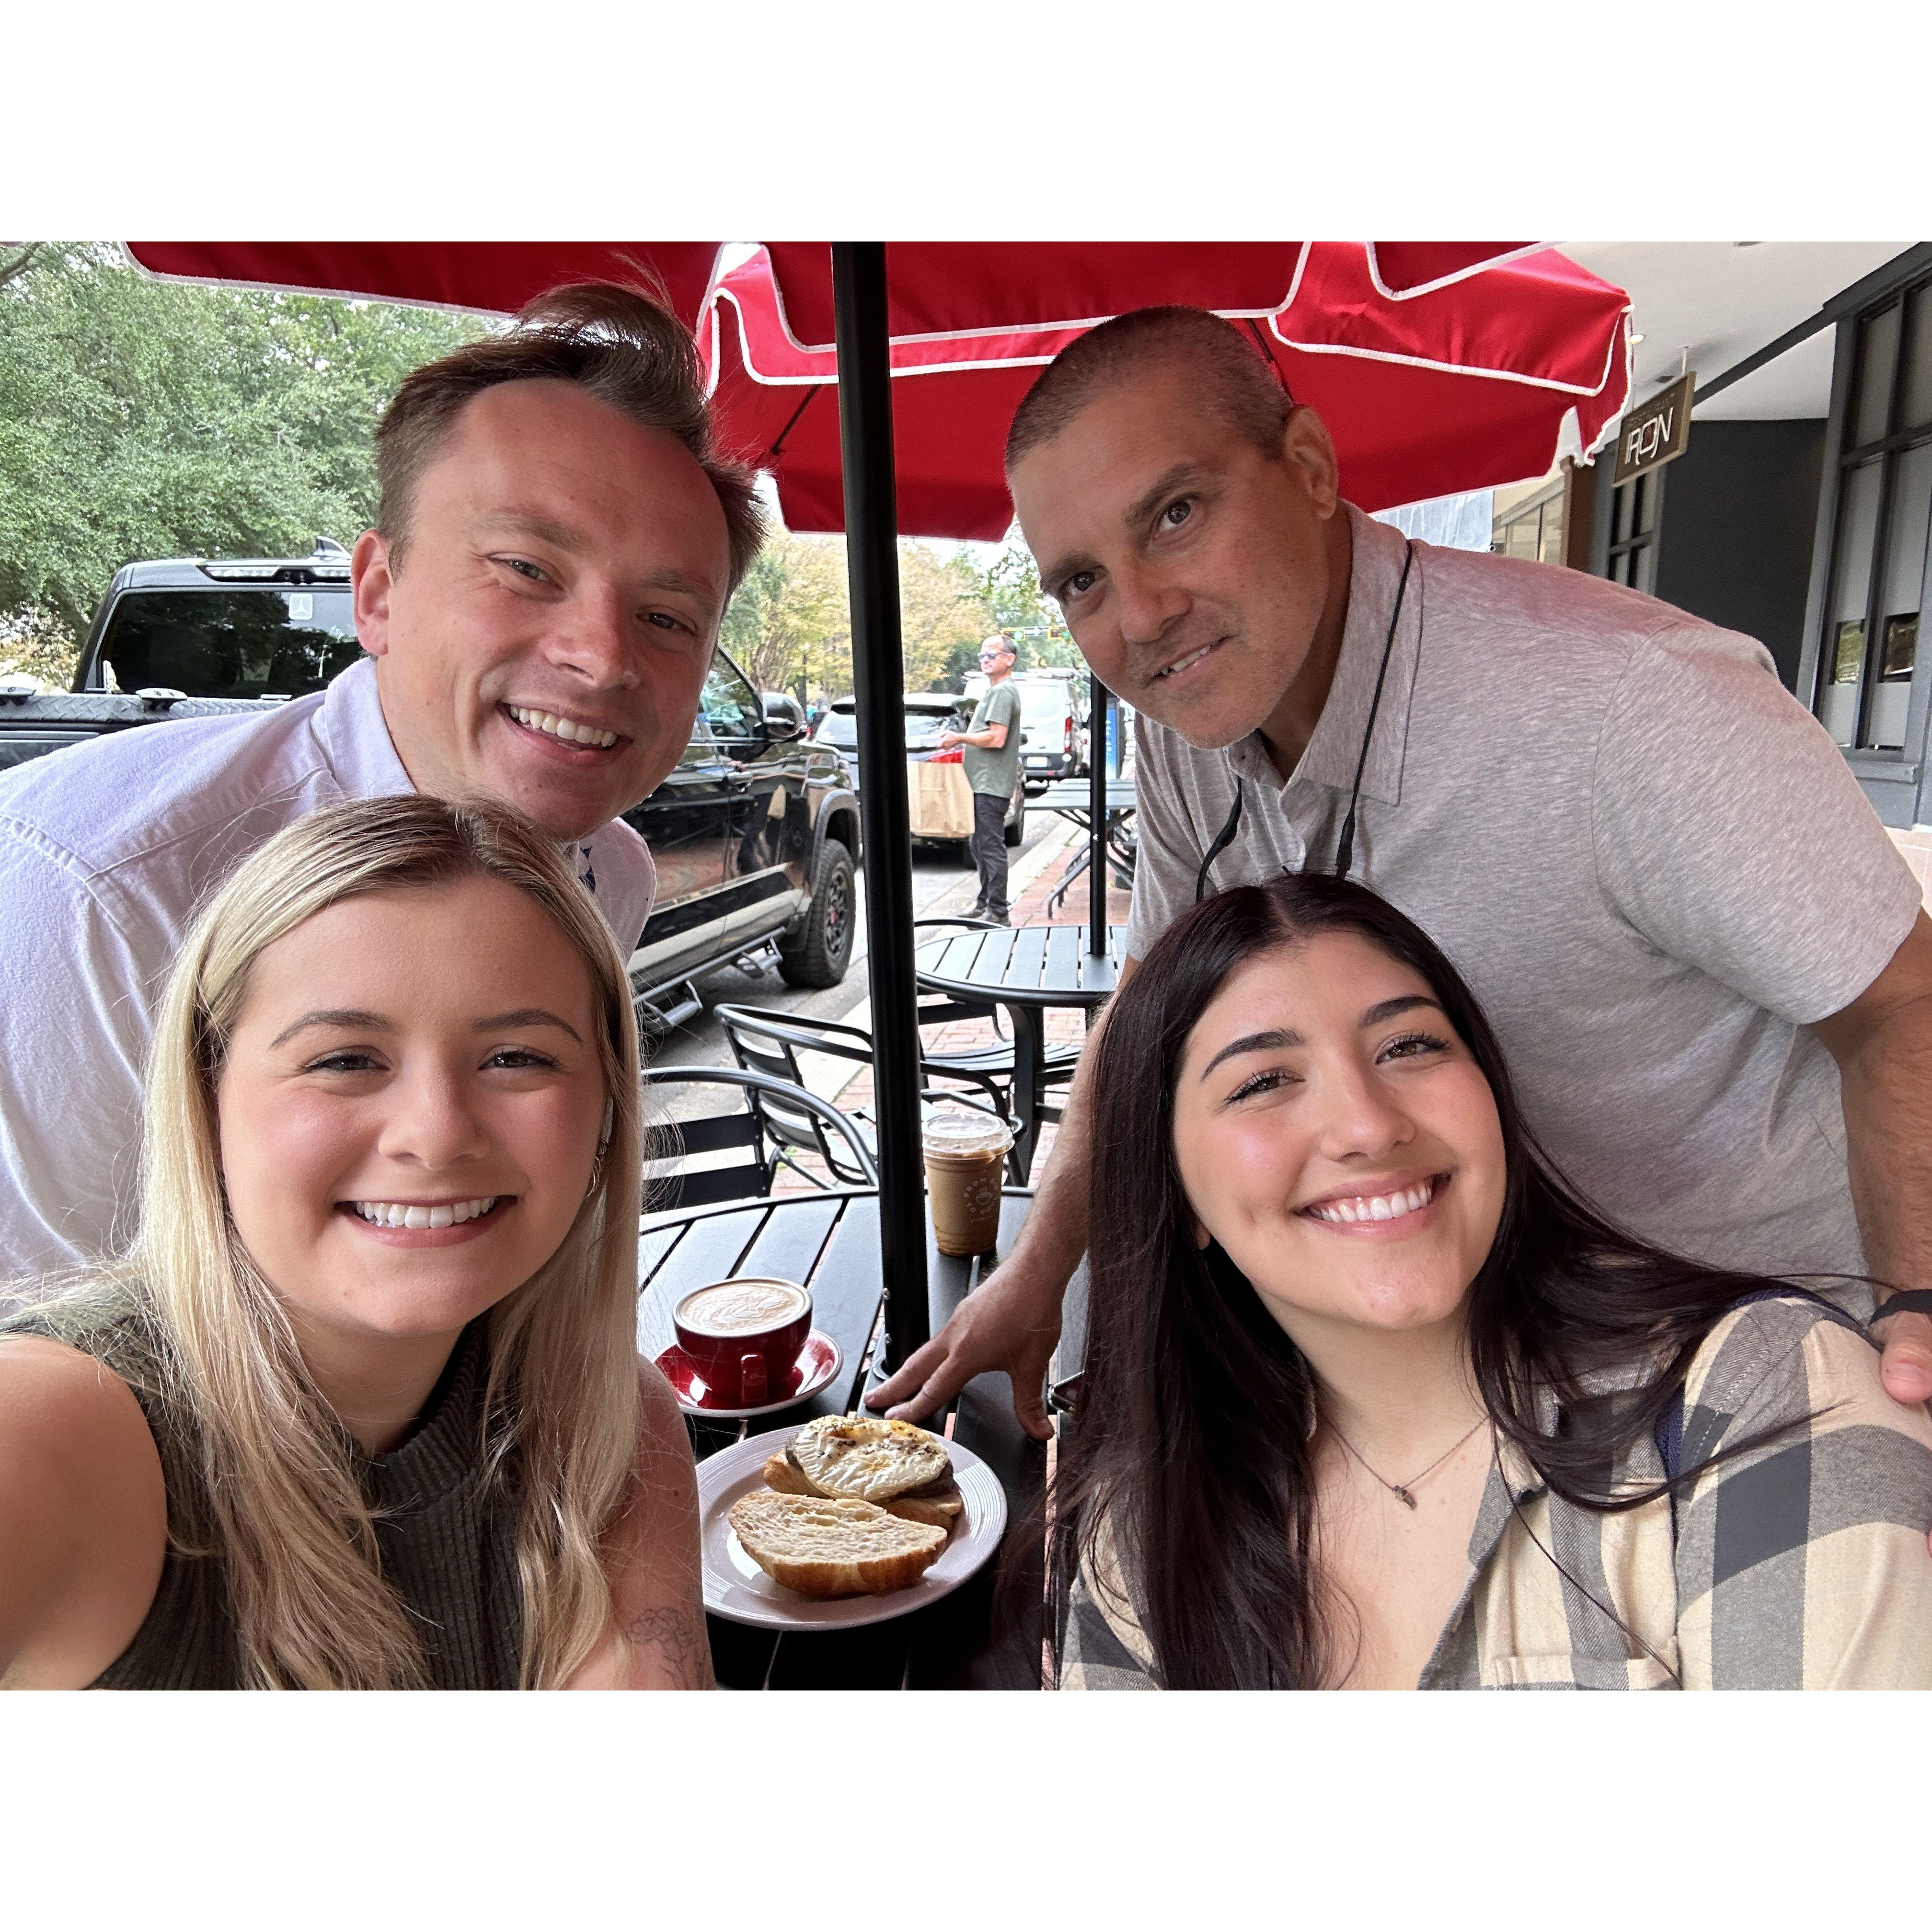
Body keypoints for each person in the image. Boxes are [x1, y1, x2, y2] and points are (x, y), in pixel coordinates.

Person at [870, 303, 1932, 1440]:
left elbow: (1902, 1007)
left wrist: (1921, 1313)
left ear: (1312, 469)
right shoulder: (1190, 732)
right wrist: (1036, 1276)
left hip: (1769, 1368)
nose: (1138, 615)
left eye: (1176, 515)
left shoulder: (1633, 703)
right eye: (1080, 580)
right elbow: (1147, 1014)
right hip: (1489, 1367)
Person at [0, 280, 764, 1278]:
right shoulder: (102, 893)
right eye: (527, 569)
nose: (603, 658)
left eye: (667, 619)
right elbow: (44, 1366)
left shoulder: (606, 872)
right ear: (378, 594)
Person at [1056, 874, 1932, 1690]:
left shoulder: (1759, 1399)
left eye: (1408, 1044)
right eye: (1265, 1081)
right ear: (1179, 1194)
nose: (1365, 1124)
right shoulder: (1144, 1532)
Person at [0, 795, 708, 1690]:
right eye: (345, 1058)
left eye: (516, 1057)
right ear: (206, 1094)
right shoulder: (63, 1425)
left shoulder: (609, 1417)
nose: (437, 1134)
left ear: (605, 1109)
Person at [939, 635, 1022, 924]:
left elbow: (997, 738)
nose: (985, 661)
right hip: (982, 783)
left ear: (1009, 659)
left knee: (990, 846)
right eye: (982, 657)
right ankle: (984, 904)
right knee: (979, 845)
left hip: (991, 784)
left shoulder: (1002, 693)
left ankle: (998, 912)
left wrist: (959, 738)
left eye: (992, 656)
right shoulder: (996, 691)